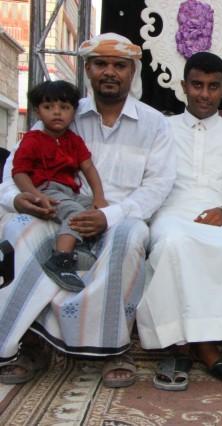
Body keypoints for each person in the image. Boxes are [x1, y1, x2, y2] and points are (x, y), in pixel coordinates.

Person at [0, 33, 176, 388]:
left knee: (130, 237)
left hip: (120, 216)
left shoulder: (155, 123)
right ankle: (30, 342)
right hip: (57, 212)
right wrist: (20, 200)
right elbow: (12, 175)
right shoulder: (61, 112)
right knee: (19, 228)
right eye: (100, 64)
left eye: (119, 65)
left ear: (132, 72)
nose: (109, 72)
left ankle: (112, 348)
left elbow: (158, 186)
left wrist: (108, 215)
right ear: (88, 70)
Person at [135, 52, 222, 391]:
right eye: (197, 85)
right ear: (183, 86)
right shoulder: (162, 128)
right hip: (172, 211)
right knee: (173, 244)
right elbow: (149, 179)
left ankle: (210, 339)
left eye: (213, 87)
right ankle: (194, 348)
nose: (204, 94)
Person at [12, 80, 107, 292]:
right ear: (37, 111)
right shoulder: (32, 140)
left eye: (64, 107)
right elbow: (19, 172)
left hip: (70, 192)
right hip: (46, 189)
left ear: (73, 112)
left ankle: (81, 248)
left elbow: (89, 168)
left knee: (97, 212)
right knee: (75, 213)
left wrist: (98, 197)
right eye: (48, 107)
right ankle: (61, 259)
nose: (57, 113)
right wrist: (36, 196)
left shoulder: (73, 140)